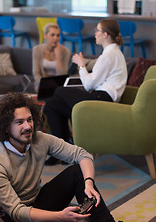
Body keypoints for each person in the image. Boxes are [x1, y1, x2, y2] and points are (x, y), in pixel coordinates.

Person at [0, 92, 133, 222]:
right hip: (13, 217)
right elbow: (17, 211)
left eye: (29, 119)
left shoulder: (40, 139)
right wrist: (60, 216)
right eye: (19, 122)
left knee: (77, 172)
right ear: (5, 128)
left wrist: (89, 182)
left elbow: (82, 155)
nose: (28, 126)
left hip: (37, 200)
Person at [43, 18, 127, 165]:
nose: (95, 33)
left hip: (102, 100)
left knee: (59, 91)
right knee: (52, 104)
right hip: (102, 97)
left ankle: (66, 150)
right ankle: (61, 152)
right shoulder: (114, 53)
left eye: (97, 30)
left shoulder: (108, 56)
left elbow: (89, 84)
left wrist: (81, 65)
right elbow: (96, 81)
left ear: (105, 34)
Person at [32, 23, 71, 92]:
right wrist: (45, 84)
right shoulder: (37, 49)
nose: (55, 38)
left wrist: (58, 56)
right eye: (52, 35)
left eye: (58, 35)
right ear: (45, 36)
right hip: (41, 84)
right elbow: (36, 73)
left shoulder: (66, 52)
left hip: (58, 86)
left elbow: (63, 76)